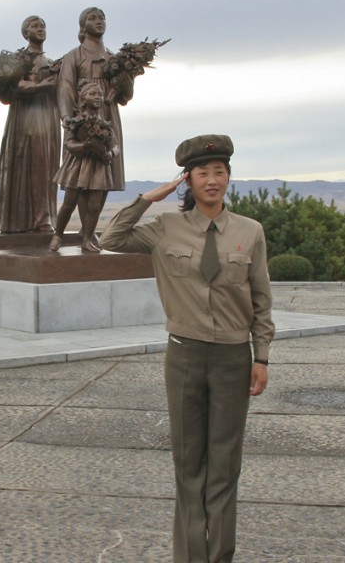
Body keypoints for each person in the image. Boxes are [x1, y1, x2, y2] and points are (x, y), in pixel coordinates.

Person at [100, 134, 274, 563]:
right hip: (185, 357)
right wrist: (148, 197)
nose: (212, 180)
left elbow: (261, 298)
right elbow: (110, 238)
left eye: (219, 172)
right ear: (188, 181)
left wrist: (262, 356)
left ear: (228, 177)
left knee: (225, 464)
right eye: (202, 173)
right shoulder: (164, 229)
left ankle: (220, 558)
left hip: (234, 358)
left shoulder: (249, 232)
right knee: (188, 464)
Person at [57, 7, 133, 228]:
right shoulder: (73, 56)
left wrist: (125, 79)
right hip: (81, 119)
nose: (99, 21)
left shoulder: (112, 58)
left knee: (105, 172)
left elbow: (126, 96)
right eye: (93, 18)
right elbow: (65, 88)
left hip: (107, 114)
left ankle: (89, 231)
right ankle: (85, 231)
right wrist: (66, 116)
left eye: (102, 18)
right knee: (81, 176)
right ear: (83, 26)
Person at [0, 15, 61, 233]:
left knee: (48, 166)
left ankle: (46, 214)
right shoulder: (20, 58)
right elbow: (13, 87)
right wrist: (40, 86)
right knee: (34, 163)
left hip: (49, 116)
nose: (40, 29)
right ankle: (37, 218)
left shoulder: (51, 62)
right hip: (28, 115)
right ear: (25, 33)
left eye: (43, 25)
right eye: (34, 26)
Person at [50, 82, 117, 252]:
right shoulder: (77, 121)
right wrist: (84, 146)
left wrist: (110, 154)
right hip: (79, 165)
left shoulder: (104, 124)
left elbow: (115, 145)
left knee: (94, 205)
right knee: (69, 203)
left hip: (99, 166)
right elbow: (69, 143)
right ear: (83, 98)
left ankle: (87, 238)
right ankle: (58, 234)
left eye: (100, 95)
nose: (98, 97)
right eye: (93, 94)